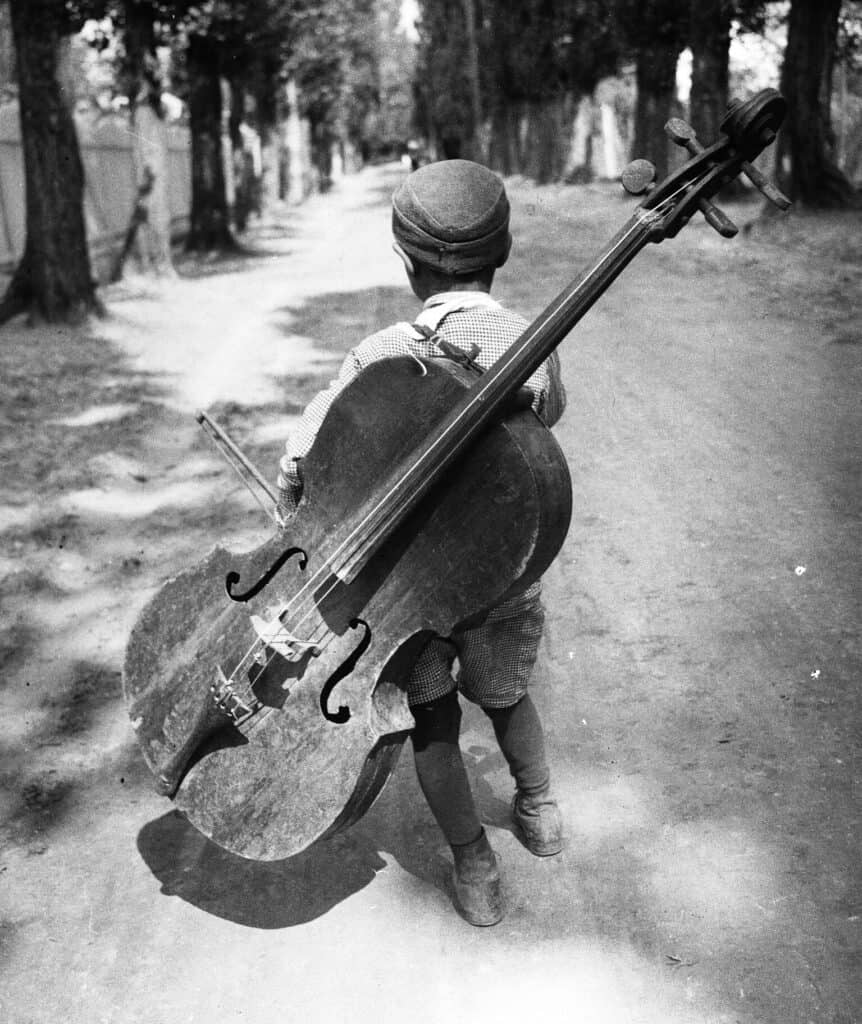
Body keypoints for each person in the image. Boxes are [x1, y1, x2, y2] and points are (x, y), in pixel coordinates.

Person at [276, 159, 567, 927]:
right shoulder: (534, 345)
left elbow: (308, 458)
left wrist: (293, 508)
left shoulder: (378, 355)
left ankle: (474, 864)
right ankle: (538, 808)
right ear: (499, 256)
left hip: (407, 592)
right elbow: (542, 435)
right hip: (501, 574)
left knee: (432, 718)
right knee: (505, 695)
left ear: (406, 262)